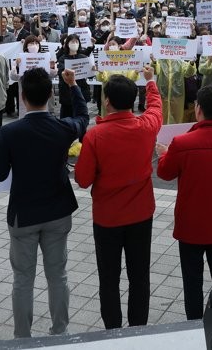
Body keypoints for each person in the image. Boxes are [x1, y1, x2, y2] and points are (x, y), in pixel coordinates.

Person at [0, 68, 88, 339]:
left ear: (22, 97)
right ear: (50, 94)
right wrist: (74, 86)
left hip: (23, 213)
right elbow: (82, 116)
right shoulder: (62, 127)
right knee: (58, 275)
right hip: (58, 210)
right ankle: (60, 332)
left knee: (23, 279)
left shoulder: (11, 132)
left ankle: (23, 337)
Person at [74, 66, 161, 330]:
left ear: (106, 101)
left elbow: (83, 179)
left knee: (109, 278)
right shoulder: (146, 128)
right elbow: (156, 109)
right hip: (140, 215)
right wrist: (151, 82)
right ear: (134, 101)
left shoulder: (95, 135)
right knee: (139, 276)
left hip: (107, 218)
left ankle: (112, 329)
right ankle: (138, 327)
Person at [156, 86, 212, 320]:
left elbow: (165, 173)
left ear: (198, 109)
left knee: (192, 279)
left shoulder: (181, 142)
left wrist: (165, 153)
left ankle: (193, 324)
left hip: (191, 225)